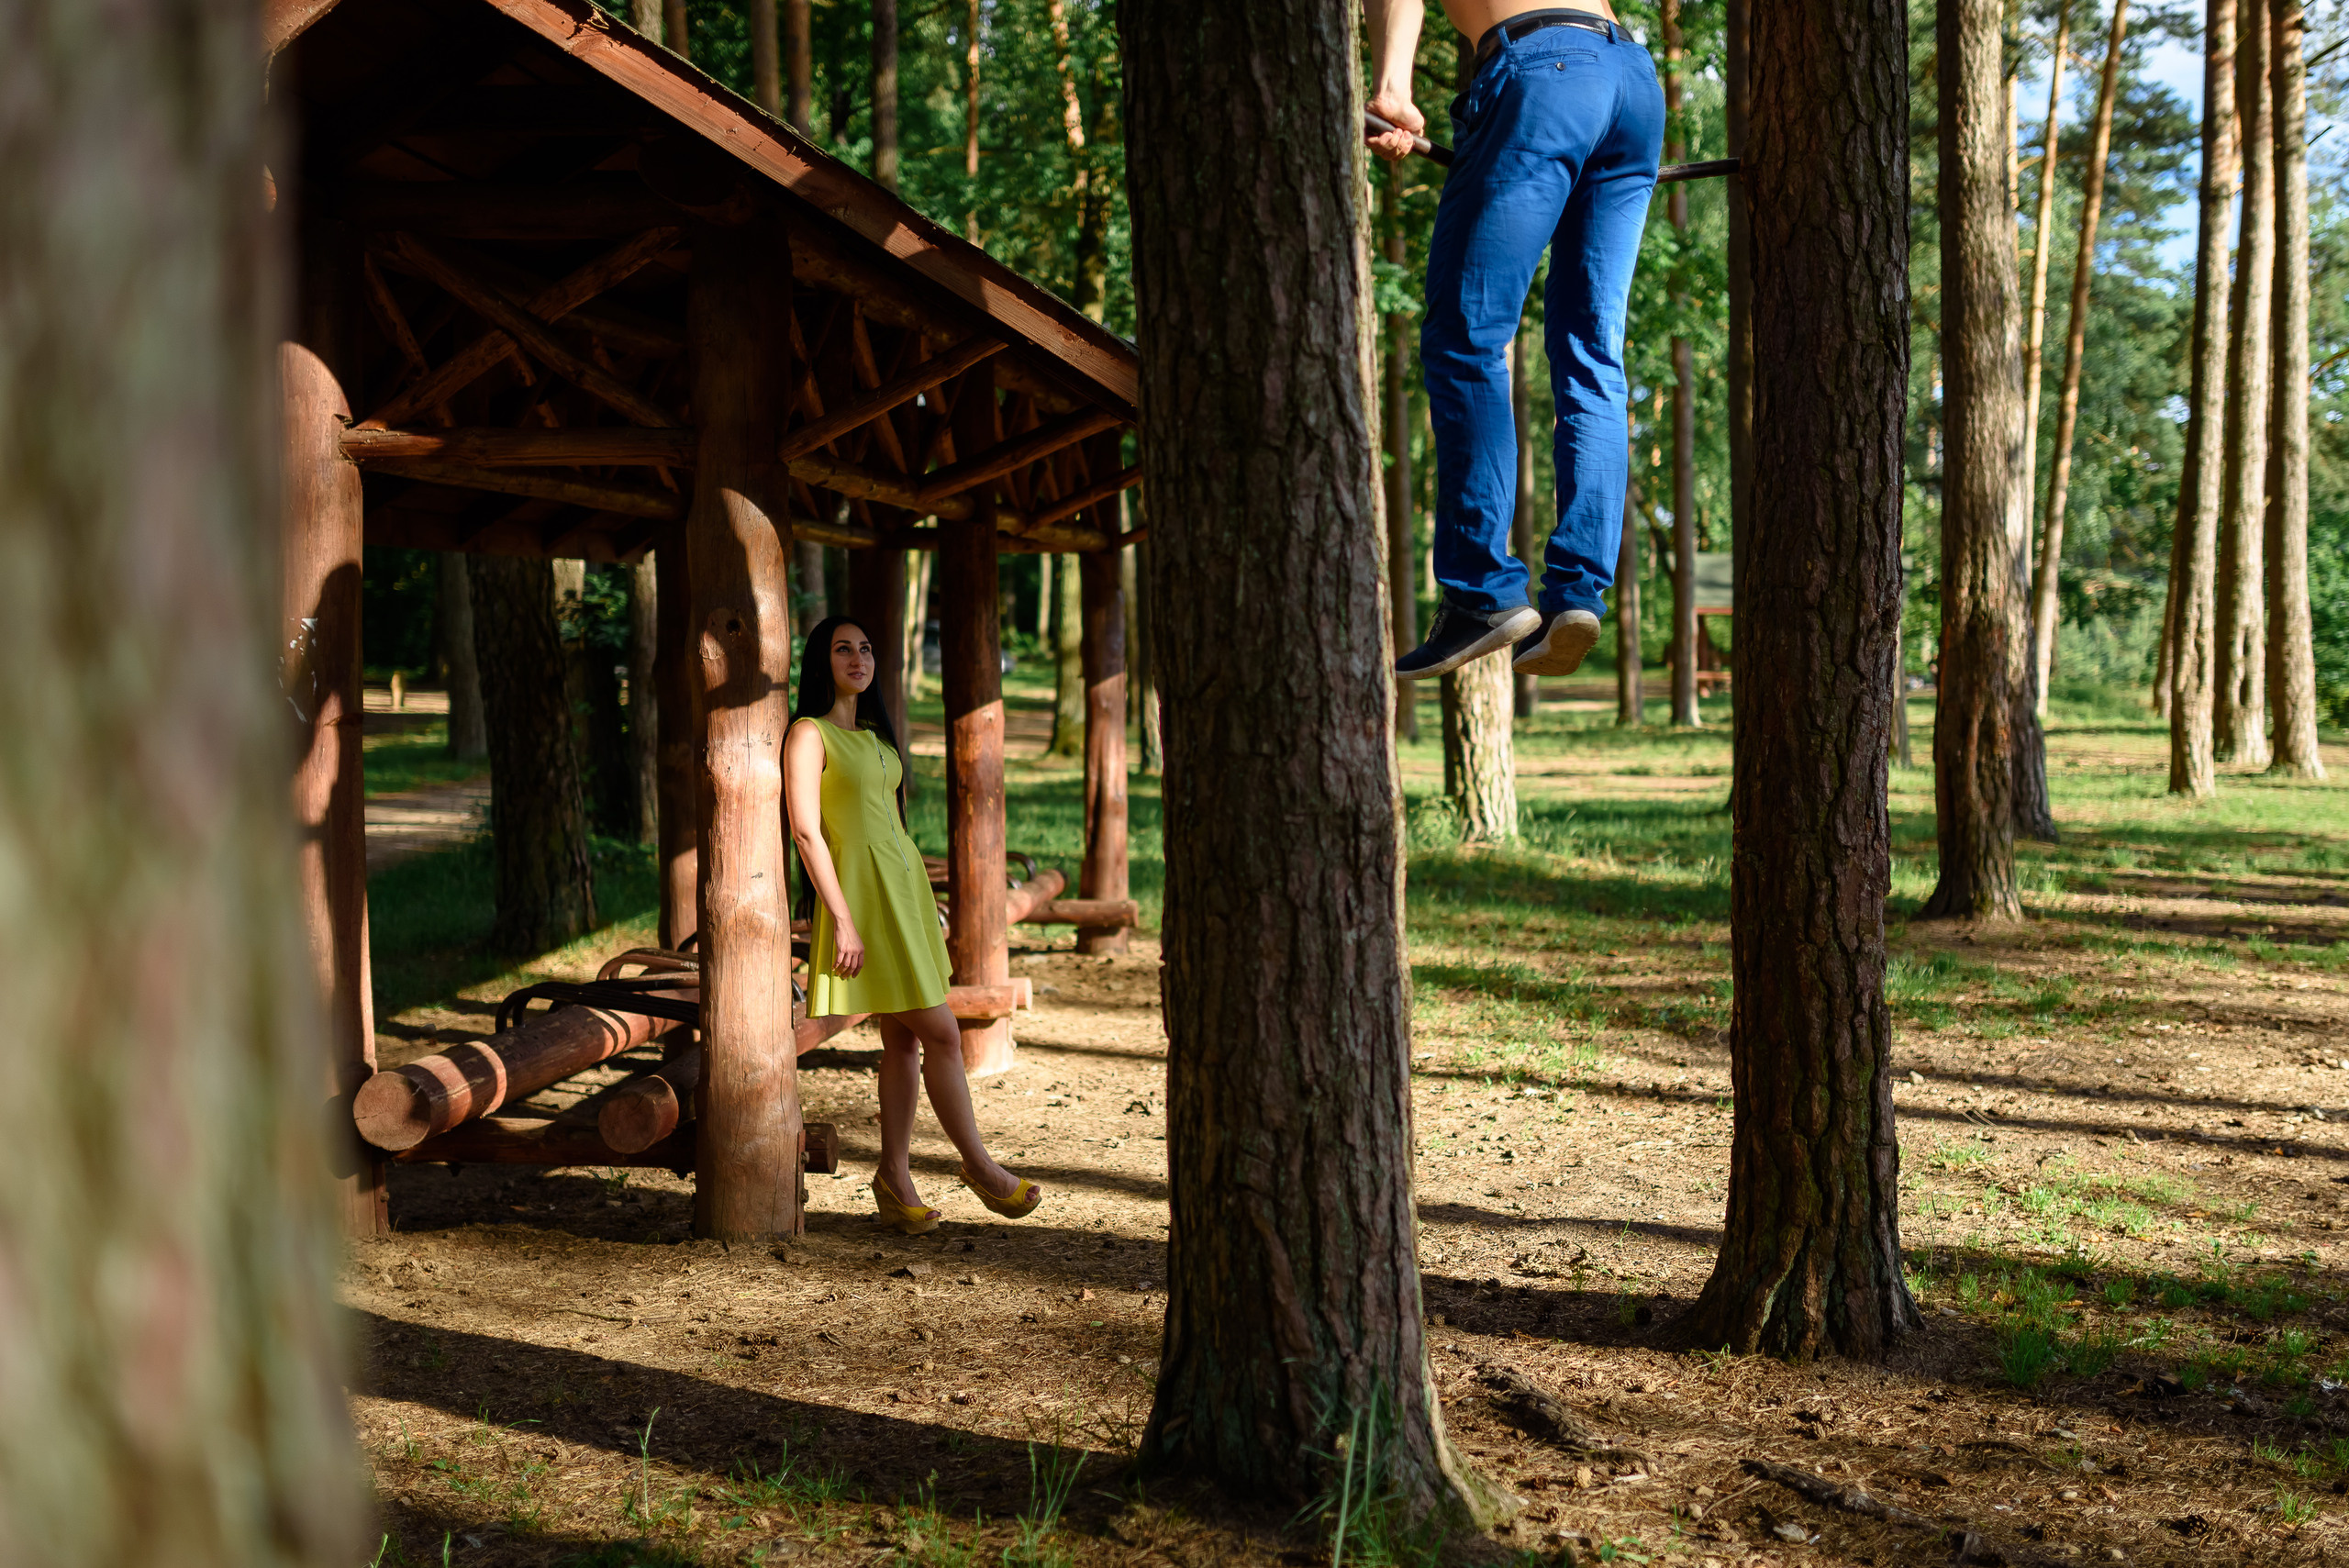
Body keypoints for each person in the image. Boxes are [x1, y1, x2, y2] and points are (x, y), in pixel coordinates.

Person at [1366, 1, 1664, 680]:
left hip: (1543, 71)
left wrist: (1392, 91)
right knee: (1594, 356)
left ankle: (1482, 591)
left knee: (1465, 338)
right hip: (1631, 81)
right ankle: (1576, 594)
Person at [784, 615, 1042, 1235]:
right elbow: (805, 830)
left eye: (866, 649)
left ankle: (894, 1178)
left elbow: (888, 824)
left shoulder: (875, 737)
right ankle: (979, 1166)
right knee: (945, 1033)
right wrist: (841, 919)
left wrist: (924, 908)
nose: (858, 659)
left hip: (904, 899)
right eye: (843, 649)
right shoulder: (807, 734)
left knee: (903, 1039)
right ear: (821, 662)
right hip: (861, 905)